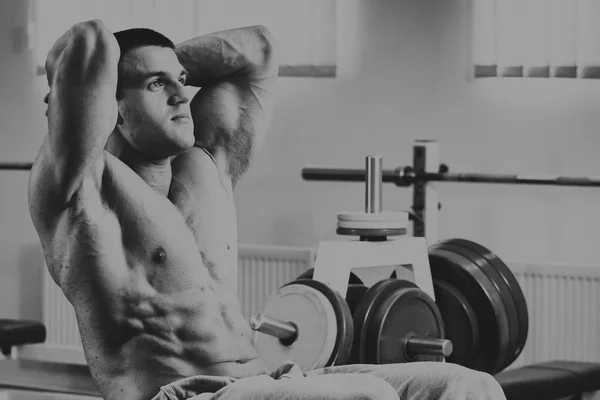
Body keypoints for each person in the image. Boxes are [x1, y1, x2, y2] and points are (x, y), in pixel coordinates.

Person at [28, 19, 506, 400]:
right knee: (367, 396)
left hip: (267, 380)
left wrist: (164, 60)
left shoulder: (207, 167)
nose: (181, 95)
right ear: (111, 105)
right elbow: (89, 41)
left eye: (183, 81)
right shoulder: (83, 188)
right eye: (157, 85)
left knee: (467, 385)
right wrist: (111, 69)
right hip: (182, 394)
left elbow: (259, 49)